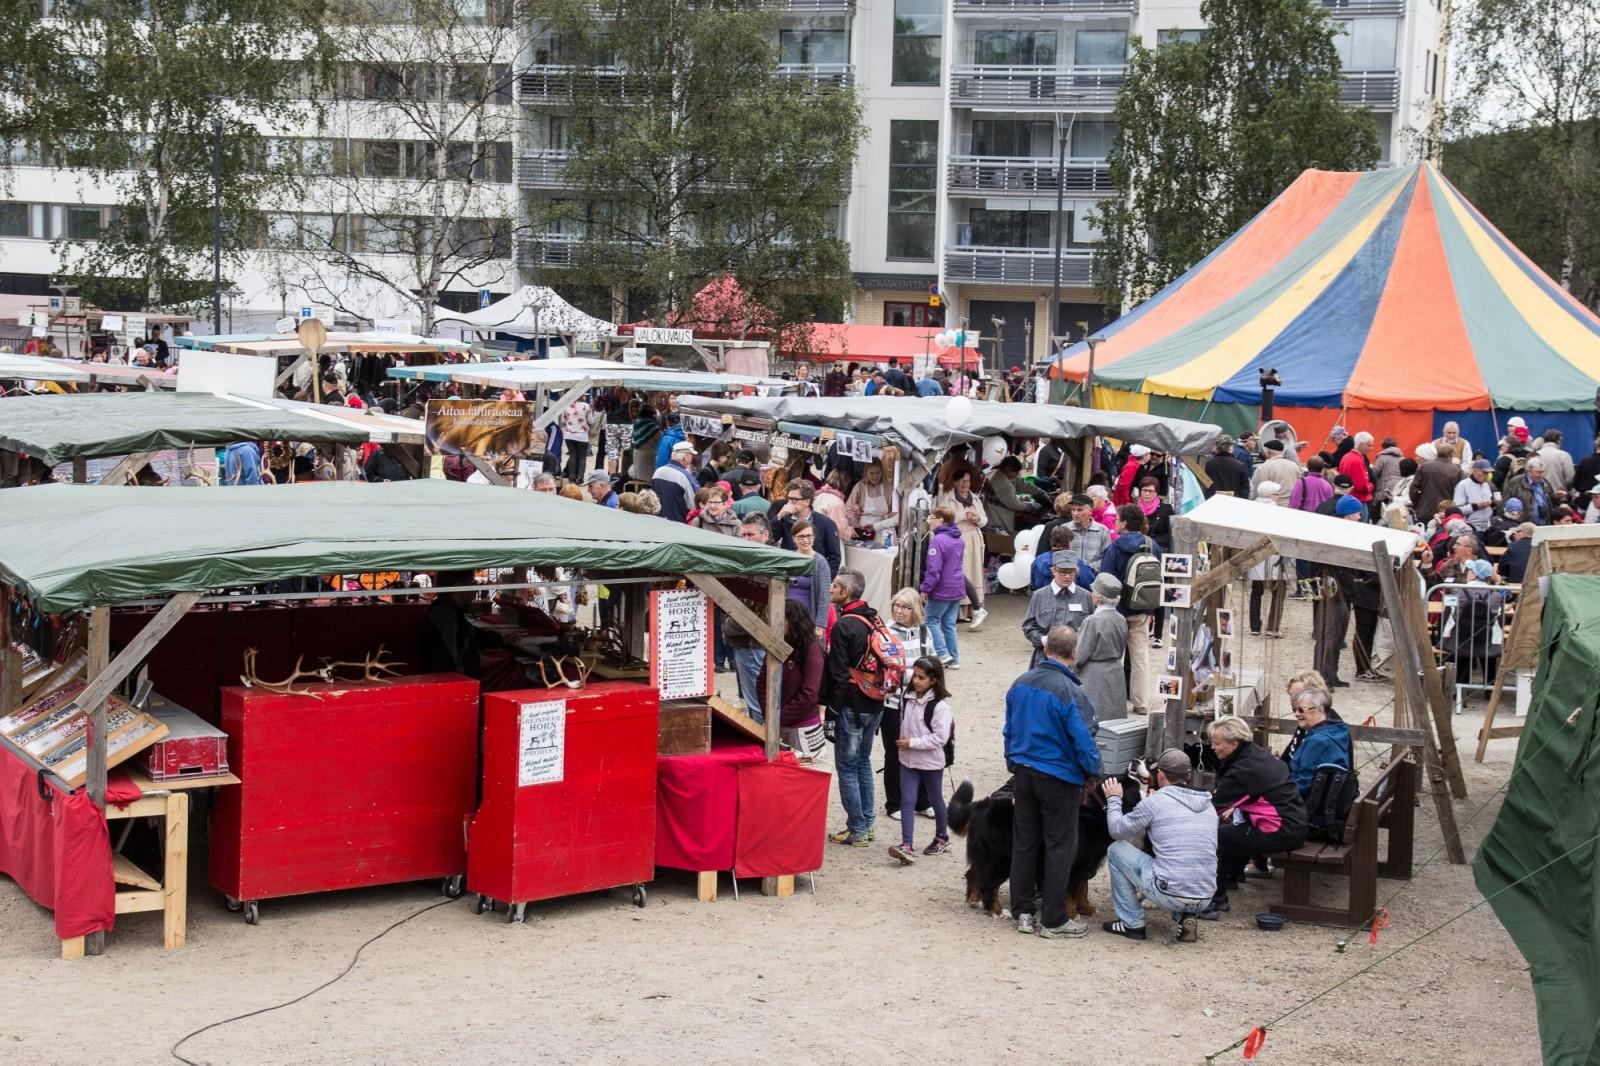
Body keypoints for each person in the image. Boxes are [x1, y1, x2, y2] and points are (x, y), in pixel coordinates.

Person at [1003, 625, 1103, 938]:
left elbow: (1009, 728)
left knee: (1025, 842)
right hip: (1058, 776)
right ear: (1074, 655)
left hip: (1024, 770)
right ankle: (1054, 918)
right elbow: (1083, 739)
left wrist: (1013, 760)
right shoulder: (1072, 692)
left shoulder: (1020, 683)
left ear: (1046, 650)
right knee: (1061, 845)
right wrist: (1093, 770)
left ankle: (1023, 911)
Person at [1100, 748, 1218, 943]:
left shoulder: (1156, 802)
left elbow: (1116, 830)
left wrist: (1113, 799)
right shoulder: (1208, 805)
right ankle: (1185, 916)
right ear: (1188, 775)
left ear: (1160, 774)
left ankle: (1131, 924)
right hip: (1205, 896)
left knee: (1116, 849)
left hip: (1168, 892)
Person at [1206, 716, 1308, 917]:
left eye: (1216, 743)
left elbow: (1211, 808)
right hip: (1295, 822)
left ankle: (1216, 899)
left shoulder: (1243, 770)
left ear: (1234, 743)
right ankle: (1230, 878)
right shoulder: (1256, 755)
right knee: (1231, 830)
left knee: (1216, 837)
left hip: (1280, 831)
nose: (1212, 748)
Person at [824, 569, 888, 847]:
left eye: (836, 586)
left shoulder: (844, 625)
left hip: (851, 703)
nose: (830, 589)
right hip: (876, 701)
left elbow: (838, 674)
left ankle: (857, 828)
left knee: (847, 767)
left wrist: (831, 713)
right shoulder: (874, 618)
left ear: (846, 592)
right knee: (863, 763)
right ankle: (868, 823)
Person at [887, 656, 954, 864]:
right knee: (907, 801)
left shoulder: (940, 707)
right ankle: (907, 845)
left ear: (933, 680)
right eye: (914, 675)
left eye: (921, 677)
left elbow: (940, 738)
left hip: (930, 761)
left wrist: (912, 743)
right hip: (908, 759)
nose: (915, 680)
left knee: (935, 799)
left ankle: (942, 837)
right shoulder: (906, 698)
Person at [882, 587, 937, 820]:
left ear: (915, 610)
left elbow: (933, 663)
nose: (899, 610)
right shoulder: (887, 632)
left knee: (923, 749)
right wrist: (918, 679)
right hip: (895, 703)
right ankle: (894, 803)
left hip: (921, 702)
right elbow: (892, 667)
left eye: (905, 607)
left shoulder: (925, 632)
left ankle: (923, 801)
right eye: (897, 605)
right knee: (895, 752)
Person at [1099, 503, 1160, 714]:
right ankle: (1141, 702)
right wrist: (1151, 610)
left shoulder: (1115, 547)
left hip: (1117, 609)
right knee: (1140, 657)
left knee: (1114, 657)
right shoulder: (1152, 545)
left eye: (1117, 519)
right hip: (1142, 608)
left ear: (1124, 523)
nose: (1115, 522)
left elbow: (1106, 578)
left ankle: (1114, 700)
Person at [724, 515, 775, 716]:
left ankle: (761, 743)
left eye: (750, 534)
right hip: (744, 639)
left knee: (757, 701)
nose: (745, 538)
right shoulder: (745, 559)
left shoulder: (768, 562)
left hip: (755, 640)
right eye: (743, 534)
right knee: (752, 698)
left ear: (765, 535)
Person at [936, 467, 990, 629]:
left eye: (967, 481)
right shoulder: (948, 499)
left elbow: (985, 520)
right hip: (957, 538)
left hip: (973, 538)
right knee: (960, 573)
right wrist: (962, 516)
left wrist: (977, 518)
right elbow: (943, 518)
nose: (965, 484)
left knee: (973, 574)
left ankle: (972, 610)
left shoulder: (975, 499)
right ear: (955, 482)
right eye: (962, 481)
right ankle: (958, 612)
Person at [772, 598, 825, 757]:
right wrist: (771, 714)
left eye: (782, 619)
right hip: (781, 723)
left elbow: (809, 693)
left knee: (808, 774)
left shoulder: (811, 649)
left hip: (804, 727)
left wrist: (779, 717)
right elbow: (763, 681)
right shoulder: (779, 645)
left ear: (793, 621)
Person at [1023, 549, 1094, 667]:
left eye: (1071, 573)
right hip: (1044, 658)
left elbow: (1091, 628)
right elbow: (1028, 626)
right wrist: (1043, 640)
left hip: (1076, 660)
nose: (1067, 577)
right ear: (1053, 571)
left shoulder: (1085, 596)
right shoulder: (1040, 595)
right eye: (1062, 572)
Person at [1074, 573, 1127, 721]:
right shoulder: (1121, 618)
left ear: (1097, 597)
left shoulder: (1092, 621)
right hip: (1115, 671)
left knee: (1093, 719)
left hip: (1093, 675)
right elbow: (1121, 648)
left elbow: (1080, 654)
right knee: (1114, 719)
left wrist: (1070, 670)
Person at [919, 505, 966, 668]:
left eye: (931, 518)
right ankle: (954, 659)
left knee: (930, 620)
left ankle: (942, 653)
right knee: (949, 624)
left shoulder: (937, 541)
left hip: (942, 588)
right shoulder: (959, 539)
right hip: (957, 587)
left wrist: (925, 588)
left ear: (940, 520)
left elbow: (933, 569)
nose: (929, 521)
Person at [1286, 687, 1353, 796]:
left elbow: (1303, 784)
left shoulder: (1317, 741)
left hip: (1308, 806)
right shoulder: (1338, 729)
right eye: (1295, 709)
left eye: (1301, 710)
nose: (1296, 714)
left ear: (1320, 710)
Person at [772, 479, 842, 577]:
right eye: (789, 499)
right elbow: (771, 539)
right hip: (789, 574)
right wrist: (778, 517)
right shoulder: (785, 518)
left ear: (807, 501)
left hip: (814, 575)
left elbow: (834, 557)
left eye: (794, 500)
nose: (790, 503)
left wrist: (825, 579)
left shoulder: (825, 523)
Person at [787, 520, 832, 634]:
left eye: (809, 536)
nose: (805, 540)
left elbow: (824, 595)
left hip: (807, 618)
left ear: (814, 537)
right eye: (801, 536)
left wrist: (820, 624)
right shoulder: (788, 558)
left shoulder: (820, 562)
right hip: (786, 615)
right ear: (794, 538)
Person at [984, 456, 1038, 537]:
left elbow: (1005, 497)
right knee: (1000, 540)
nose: (1017, 475)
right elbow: (1013, 504)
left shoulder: (997, 473)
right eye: (1016, 472)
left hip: (993, 514)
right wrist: (1028, 506)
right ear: (1008, 469)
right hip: (998, 518)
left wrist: (1024, 497)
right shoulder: (1003, 483)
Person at [1030, 524, 1094, 592]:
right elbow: (1089, 584)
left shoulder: (1038, 561)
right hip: (1071, 600)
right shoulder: (1078, 564)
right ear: (1070, 542)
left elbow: (1034, 584)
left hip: (1043, 600)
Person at [845, 460, 898, 540]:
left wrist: (886, 518)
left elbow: (895, 512)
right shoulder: (860, 486)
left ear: (882, 472)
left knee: (885, 551)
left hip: (885, 528)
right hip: (864, 528)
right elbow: (848, 509)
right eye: (872, 473)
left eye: (878, 473)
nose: (875, 476)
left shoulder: (888, 487)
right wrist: (857, 525)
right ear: (866, 473)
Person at [1410, 442, 1464, 520]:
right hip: (1444, 512)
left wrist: (1417, 503)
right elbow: (1459, 492)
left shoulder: (1424, 467)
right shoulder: (1456, 471)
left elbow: (1413, 489)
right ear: (1451, 454)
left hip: (1424, 509)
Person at [652, 440, 699, 522]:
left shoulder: (658, 471)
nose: (692, 458)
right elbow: (694, 504)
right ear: (685, 457)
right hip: (679, 523)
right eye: (691, 455)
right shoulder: (686, 476)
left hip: (658, 519)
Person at [1505, 455, 1554, 525]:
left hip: (1544, 525)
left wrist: (1556, 497)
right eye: (1538, 472)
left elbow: (1552, 503)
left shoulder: (1545, 483)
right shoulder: (1516, 482)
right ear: (1529, 471)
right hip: (1523, 526)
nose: (1541, 475)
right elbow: (1505, 503)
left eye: (1543, 472)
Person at [558, 392, 594, 482]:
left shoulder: (567, 405)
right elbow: (591, 421)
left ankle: (572, 476)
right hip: (582, 434)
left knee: (572, 455)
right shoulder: (586, 406)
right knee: (582, 457)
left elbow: (562, 420)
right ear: (582, 396)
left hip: (569, 434)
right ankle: (580, 477)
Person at [1453, 459, 1496, 533]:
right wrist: (1475, 506)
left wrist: (1493, 503)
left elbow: (1488, 507)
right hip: (1470, 528)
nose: (1486, 475)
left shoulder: (1486, 485)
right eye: (1484, 472)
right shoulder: (1463, 485)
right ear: (1475, 471)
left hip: (1486, 528)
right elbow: (1457, 510)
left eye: (1488, 473)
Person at [1252, 439, 1299, 507]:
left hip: (1273, 506)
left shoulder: (1264, 468)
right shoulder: (1294, 466)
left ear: (1269, 452)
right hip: (1292, 506)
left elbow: (1257, 490)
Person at [1339, 431, 1375, 512]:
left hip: (1348, 498)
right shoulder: (1357, 460)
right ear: (1361, 444)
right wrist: (1371, 485)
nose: (1371, 448)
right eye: (1369, 445)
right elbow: (1361, 486)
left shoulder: (1346, 457)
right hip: (1358, 501)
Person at [1538, 428, 1575, 496]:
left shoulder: (1536, 455)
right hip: (1560, 496)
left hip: (1540, 496)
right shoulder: (1564, 455)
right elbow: (1570, 479)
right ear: (1558, 440)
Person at [1370, 437, 1406, 503]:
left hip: (1384, 490)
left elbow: (1375, 472)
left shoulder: (1382, 457)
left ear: (1384, 447)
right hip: (1398, 489)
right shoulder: (1402, 459)